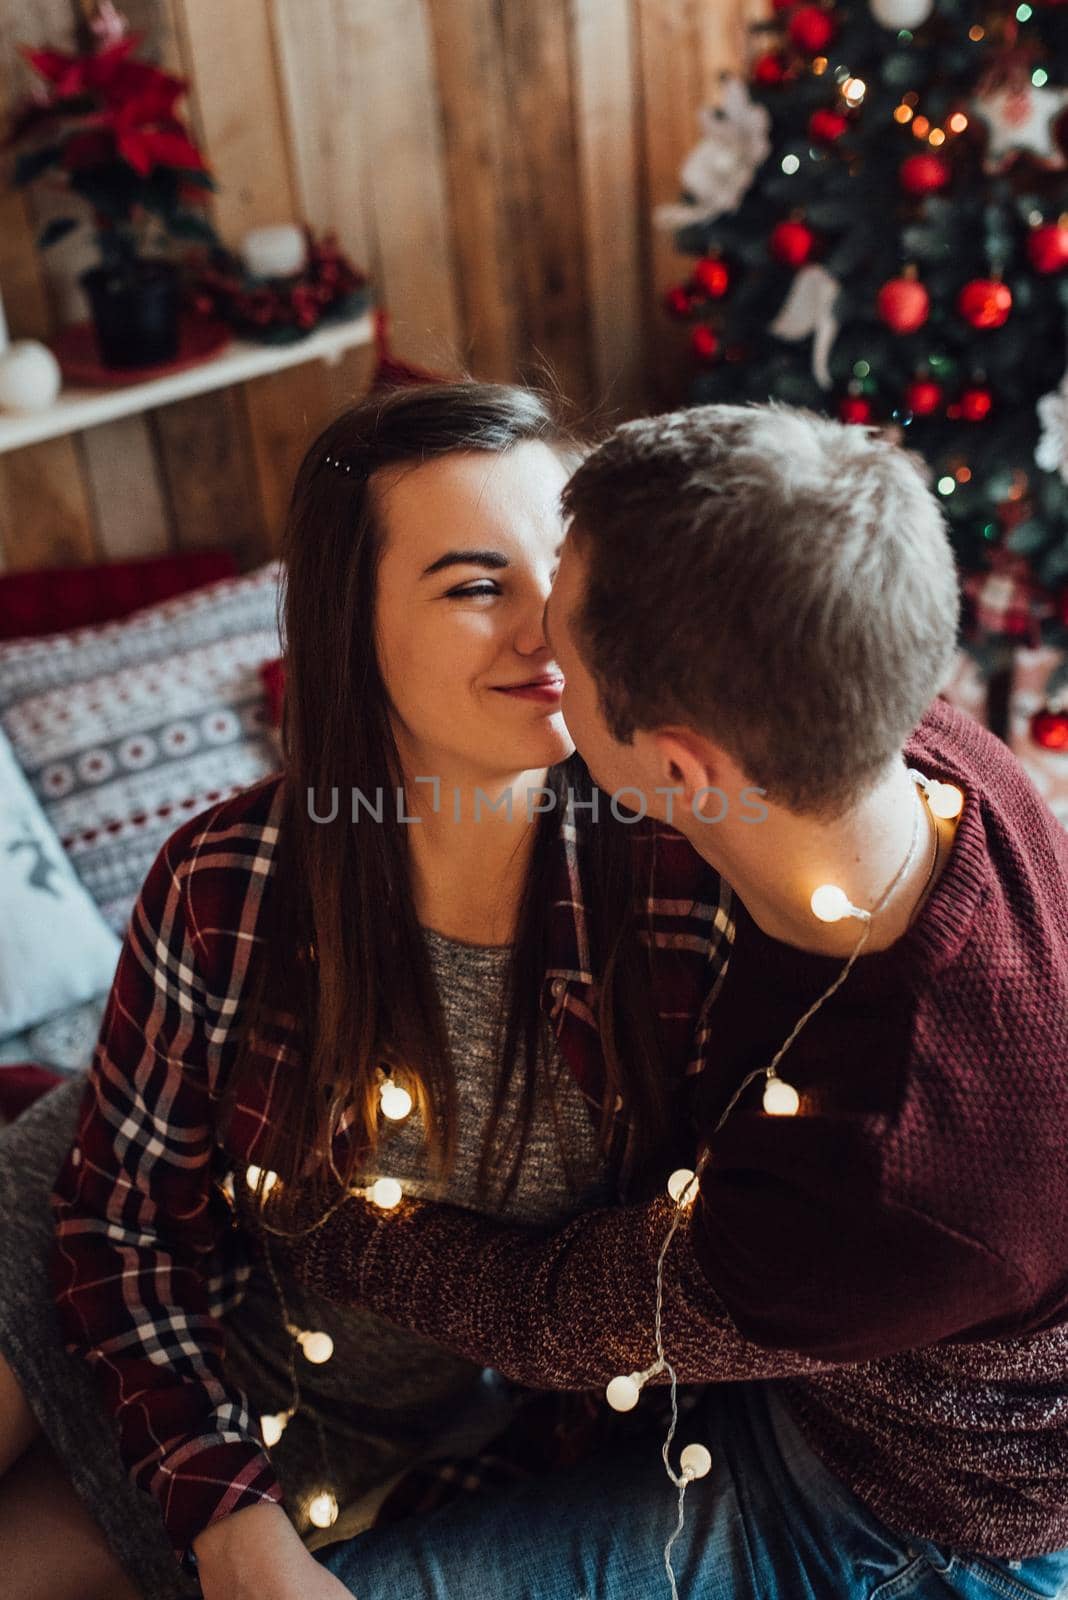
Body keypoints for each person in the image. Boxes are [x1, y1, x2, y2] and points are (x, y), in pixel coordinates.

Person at [283, 402, 1068, 1600]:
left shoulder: (886, 1174)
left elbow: (554, 1314)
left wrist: (314, 1211)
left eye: (564, 627)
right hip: (810, 1348)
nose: (535, 638)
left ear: (680, 765)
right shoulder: (871, 733)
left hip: (908, 1509)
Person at [0, 383, 728, 1600]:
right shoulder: (230, 880)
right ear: (351, 624)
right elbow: (123, 1231)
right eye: (474, 584)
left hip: (409, 1446)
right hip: (179, 1334)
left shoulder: (680, 871)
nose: (548, 625)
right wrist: (238, 1532)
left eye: (564, 563)